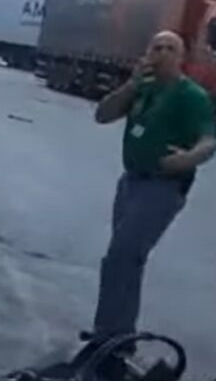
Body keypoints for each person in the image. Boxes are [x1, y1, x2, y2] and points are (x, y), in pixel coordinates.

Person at [89, 30, 216, 344]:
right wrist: (131, 85)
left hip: (163, 187)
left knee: (121, 256)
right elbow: (102, 115)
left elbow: (209, 140)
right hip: (131, 182)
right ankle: (116, 335)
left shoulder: (190, 96)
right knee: (127, 260)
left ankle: (109, 335)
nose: (162, 53)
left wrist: (188, 158)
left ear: (182, 57)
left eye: (170, 48)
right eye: (156, 47)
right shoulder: (143, 89)